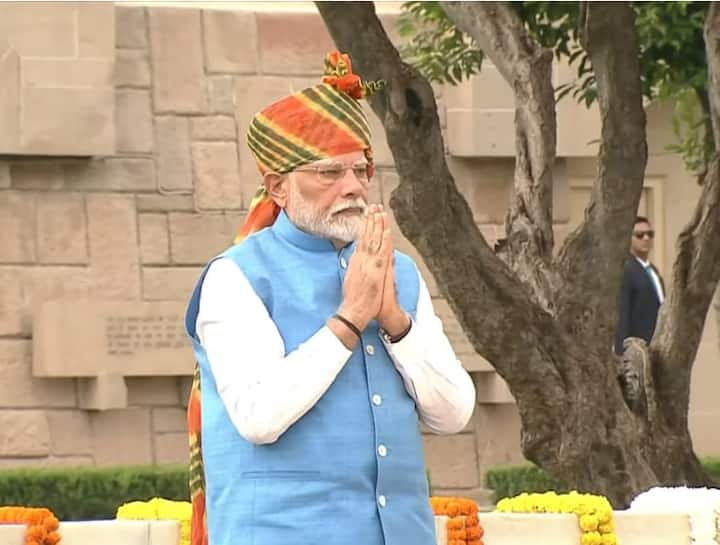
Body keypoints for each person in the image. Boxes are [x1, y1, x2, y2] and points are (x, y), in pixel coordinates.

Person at [184, 51, 476, 545]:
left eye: (361, 170)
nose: (354, 188)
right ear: (277, 186)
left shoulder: (396, 271)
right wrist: (349, 319)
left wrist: (394, 321)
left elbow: (453, 414)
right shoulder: (235, 278)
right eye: (328, 173)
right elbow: (259, 417)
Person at [615, 216, 665, 355]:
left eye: (650, 234)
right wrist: (622, 353)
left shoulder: (653, 271)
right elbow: (623, 313)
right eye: (639, 235)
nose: (646, 238)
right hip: (638, 349)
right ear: (629, 238)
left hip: (659, 347)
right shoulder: (626, 270)